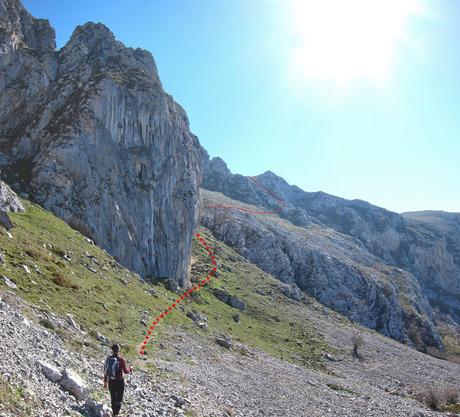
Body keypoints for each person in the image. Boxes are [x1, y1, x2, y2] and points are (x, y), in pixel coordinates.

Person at [103, 344, 133, 416]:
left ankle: (114, 413)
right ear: (118, 350)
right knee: (119, 399)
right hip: (119, 381)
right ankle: (116, 414)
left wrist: (105, 382)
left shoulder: (108, 359)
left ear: (112, 350)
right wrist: (131, 368)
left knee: (113, 398)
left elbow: (105, 371)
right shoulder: (121, 359)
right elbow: (126, 371)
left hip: (111, 381)